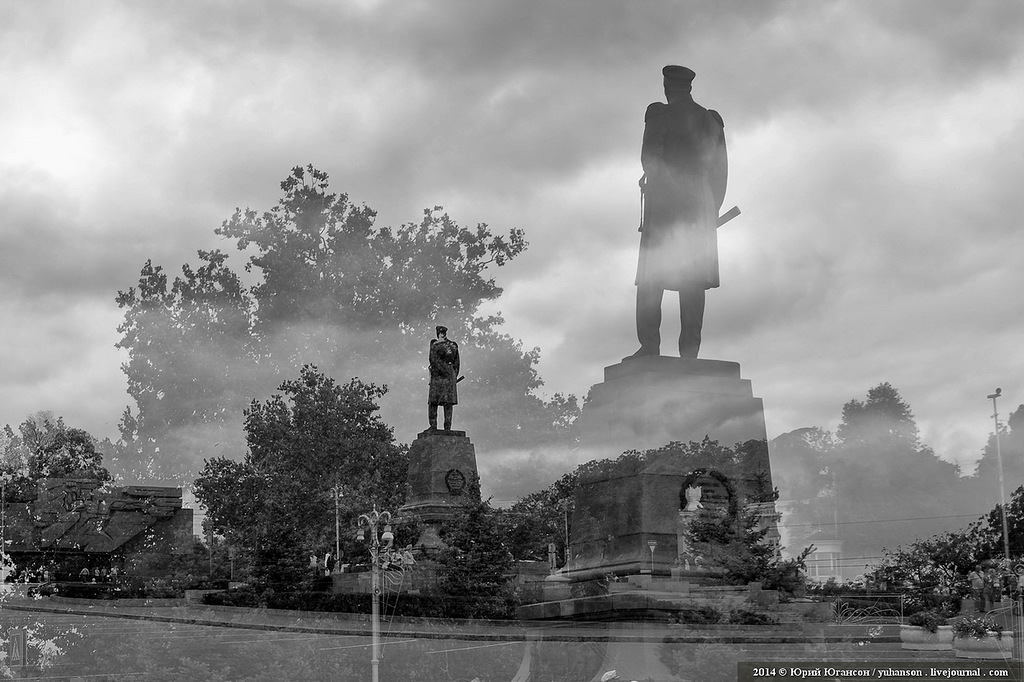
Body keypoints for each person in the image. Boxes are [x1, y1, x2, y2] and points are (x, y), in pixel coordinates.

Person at [627, 65, 728, 360]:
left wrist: (668, 195)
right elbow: (720, 174)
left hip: (666, 203)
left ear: (666, 87)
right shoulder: (711, 121)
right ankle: (690, 352)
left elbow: (651, 160)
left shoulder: (660, 114)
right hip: (700, 203)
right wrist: (711, 209)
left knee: (651, 277)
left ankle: (649, 346)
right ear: (689, 89)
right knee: (693, 281)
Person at [428, 325, 460, 431]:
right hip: (450, 376)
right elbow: (457, 364)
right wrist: (453, 376)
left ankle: (433, 426)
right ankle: (447, 427)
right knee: (448, 403)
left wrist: (441, 371)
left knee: (433, 402)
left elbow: (432, 360)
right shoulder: (453, 345)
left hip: (438, 376)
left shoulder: (434, 345)